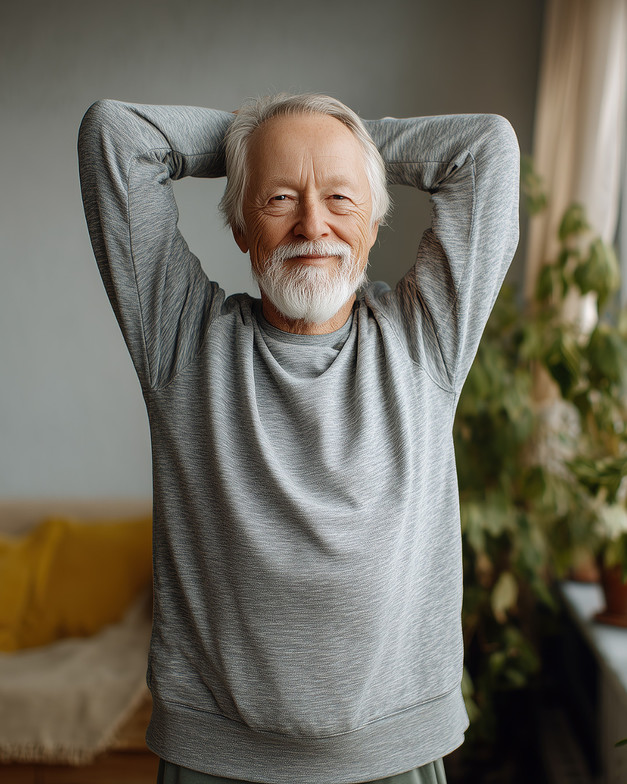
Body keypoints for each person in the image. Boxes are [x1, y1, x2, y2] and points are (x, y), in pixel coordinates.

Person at [78, 93, 519, 784]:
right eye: (279, 198)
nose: (313, 224)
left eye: (341, 198)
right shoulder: (181, 341)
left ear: (373, 223)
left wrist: (334, 136)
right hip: (214, 757)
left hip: (393, 755)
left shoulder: (425, 338)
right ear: (242, 230)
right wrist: (262, 138)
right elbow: (116, 136)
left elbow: (485, 148)